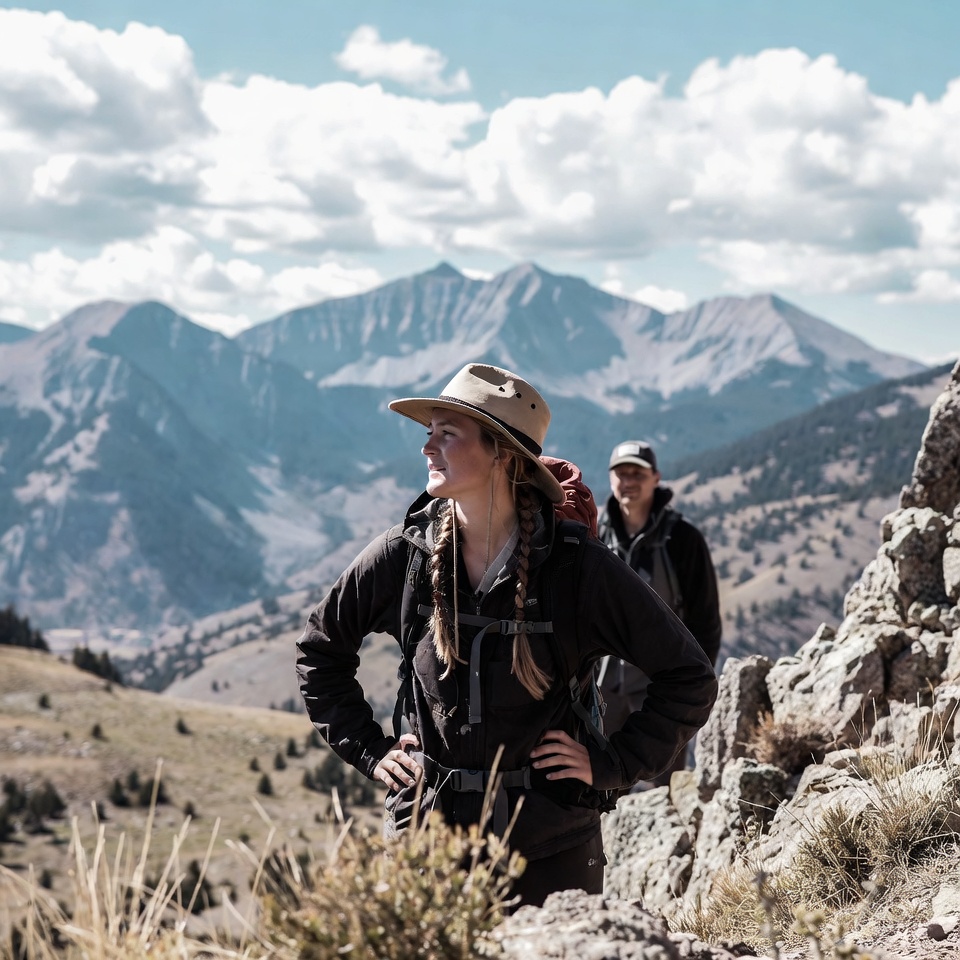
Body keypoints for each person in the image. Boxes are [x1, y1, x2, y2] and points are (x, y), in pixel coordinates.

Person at [296, 364, 717, 907]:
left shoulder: (577, 570)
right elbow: (320, 651)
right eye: (429, 432)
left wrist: (612, 764)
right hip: (427, 845)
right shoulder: (405, 555)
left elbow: (688, 676)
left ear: (502, 453)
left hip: (550, 850)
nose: (428, 448)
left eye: (448, 433)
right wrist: (372, 751)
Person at [597, 439, 722, 787]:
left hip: (659, 690)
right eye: (622, 473)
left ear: (656, 478)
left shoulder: (682, 540)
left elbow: (705, 622)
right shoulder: (593, 535)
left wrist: (690, 692)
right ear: (610, 479)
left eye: (638, 473)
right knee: (594, 787)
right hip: (600, 689)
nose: (629, 481)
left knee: (665, 789)